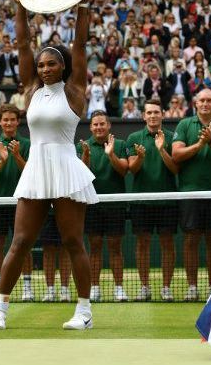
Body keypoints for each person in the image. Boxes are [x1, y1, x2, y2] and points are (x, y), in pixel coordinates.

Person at [0, 0, 97, 331]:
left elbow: (80, 44)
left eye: (52, 64)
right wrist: (20, 6)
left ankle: (84, 311)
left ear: (63, 67)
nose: (46, 68)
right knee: (20, 241)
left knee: (71, 241)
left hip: (66, 167)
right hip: (36, 168)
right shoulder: (31, 89)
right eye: (42, 64)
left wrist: (83, 6)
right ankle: (0, 309)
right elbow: (22, 44)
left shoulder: (76, 90)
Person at [172, 88, 211, 300]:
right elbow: (176, 154)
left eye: (210, 100)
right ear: (195, 103)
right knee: (191, 239)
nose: (206, 104)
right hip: (189, 193)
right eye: (202, 100)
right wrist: (200, 143)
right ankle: (192, 287)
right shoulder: (184, 124)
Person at [126, 99, 178, 301]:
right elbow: (132, 169)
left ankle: (166, 288)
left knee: (167, 244)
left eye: (156, 112)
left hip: (167, 201)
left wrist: (161, 149)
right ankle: (144, 287)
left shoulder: (173, 137)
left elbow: (175, 169)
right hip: (142, 201)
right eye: (149, 112)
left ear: (162, 114)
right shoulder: (133, 138)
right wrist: (140, 156)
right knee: (142, 244)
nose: (153, 115)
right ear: (144, 116)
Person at [77, 111, 129, 302]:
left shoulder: (121, 144)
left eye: (102, 124)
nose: (99, 127)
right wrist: (86, 155)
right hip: (91, 204)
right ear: (91, 127)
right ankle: (95, 288)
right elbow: (81, 174)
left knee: (115, 247)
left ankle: (119, 288)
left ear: (109, 126)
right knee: (95, 246)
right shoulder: (82, 146)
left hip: (114, 205)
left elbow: (124, 170)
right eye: (95, 125)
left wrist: (111, 154)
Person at [0, 104, 34, 303]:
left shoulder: (28, 144)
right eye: (5, 120)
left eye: (12, 120)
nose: (9, 123)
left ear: (18, 122)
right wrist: (3, 161)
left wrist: (16, 156)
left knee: (24, 246)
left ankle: (28, 287)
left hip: (23, 201)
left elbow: (31, 172)